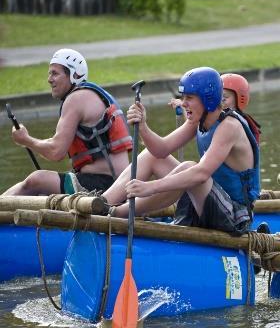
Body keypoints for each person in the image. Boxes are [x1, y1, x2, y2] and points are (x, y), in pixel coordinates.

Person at [90, 66, 260, 235]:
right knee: (152, 156)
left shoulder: (229, 127)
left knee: (189, 167)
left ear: (208, 99)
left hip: (236, 217)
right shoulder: (198, 120)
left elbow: (201, 173)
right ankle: (101, 203)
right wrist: (143, 127)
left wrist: (150, 187)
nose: (184, 103)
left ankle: (117, 213)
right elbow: (161, 150)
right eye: (183, 97)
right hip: (205, 202)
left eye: (190, 98)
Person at [2, 48, 132, 196]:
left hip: (105, 185)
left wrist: (26, 140)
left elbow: (56, 151)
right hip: (115, 182)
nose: (49, 79)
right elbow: (56, 143)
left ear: (75, 75)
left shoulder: (76, 99)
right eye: (49, 73)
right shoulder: (93, 94)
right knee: (36, 188)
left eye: (55, 73)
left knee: (36, 180)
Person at [221, 73, 261, 145]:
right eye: (218, 96)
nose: (220, 101)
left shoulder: (234, 123)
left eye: (225, 97)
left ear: (239, 99)